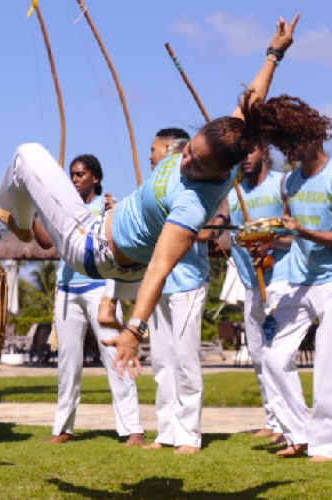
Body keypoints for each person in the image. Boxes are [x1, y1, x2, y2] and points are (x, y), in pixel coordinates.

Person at [0, 14, 304, 378]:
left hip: (92, 249)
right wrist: (274, 53)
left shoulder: (193, 205)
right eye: (188, 149)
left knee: (27, 154)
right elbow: (251, 103)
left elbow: (159, 269)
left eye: (195, 162)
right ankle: (21, 217)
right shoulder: (228, 143)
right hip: (101, 232)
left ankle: (15, 218)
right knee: (28, 166)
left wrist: (134, 330)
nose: (184, 159)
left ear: (219, 171)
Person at [260, 100, 332, 462]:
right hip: (299, 280)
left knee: (329, 368)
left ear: (313, 133)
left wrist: (301, 229)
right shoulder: (289, 181)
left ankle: (324, 447)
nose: (290, 152)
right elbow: (290, 235)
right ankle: (299, 431)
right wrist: (270, 243)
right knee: (272, 357)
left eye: (294, 142)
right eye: (284, 145)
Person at [46, 154, 144, 446]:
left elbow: (119, 243)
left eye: (80, 175)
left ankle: (132, 428)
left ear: (95, 178)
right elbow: (41, 239)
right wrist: (44, 208)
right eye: (72, 175)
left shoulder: (106, 205)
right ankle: (63, 428)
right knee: (68, 362)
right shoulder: (63, 209)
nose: (75, 179)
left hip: (100, 288)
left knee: (116, 356)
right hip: (66, 290)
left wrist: (112, 297)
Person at [138, 128, 216, 455]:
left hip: (188, 281)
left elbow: (205, 230)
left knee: (185, 359)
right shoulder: (157, 188)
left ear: (172, 148)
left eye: (154, 149)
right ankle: (166, 430)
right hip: (161, 283)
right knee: (162, 361)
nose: (150, 155)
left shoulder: (198, 185)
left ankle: (189, 434)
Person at [227, 145, 290, 444]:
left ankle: (286, 422)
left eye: (250, 151)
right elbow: (227, 236)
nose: (245, 158)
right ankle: (271, 418)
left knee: (278, 353)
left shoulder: (282, 184)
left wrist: (270, 242)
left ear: (264, 152)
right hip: (251, 283)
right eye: (240, 153)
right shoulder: (233, 193)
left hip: (280, 280)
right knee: (257, 354)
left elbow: (296, 232)